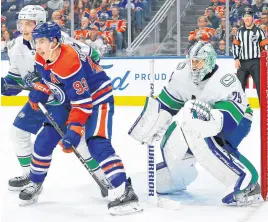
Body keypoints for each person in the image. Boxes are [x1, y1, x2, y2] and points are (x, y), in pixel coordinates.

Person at [23, 22, 142, 216]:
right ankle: (35, 183)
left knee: (97, 144)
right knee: (44, 140)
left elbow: (83, 102)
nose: (38, 46)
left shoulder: (68, 60)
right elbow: (50, 81)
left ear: (54, 41)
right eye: (36, 41)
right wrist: (41, 92)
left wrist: (74, 131)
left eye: (42, 41)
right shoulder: (41, 54)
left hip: (97, 98)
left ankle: (125, 192)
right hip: (71, 99)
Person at [129, 41, 262, 206]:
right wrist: (152, 122)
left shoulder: (225, 81)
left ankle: (246, 180)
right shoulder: (182, 75)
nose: (194, 66)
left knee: (196, 124)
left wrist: (210, 120)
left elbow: (229, 120)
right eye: (192, 61)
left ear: (210, 61)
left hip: (239, 120)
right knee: (176, 133)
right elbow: (166, 105)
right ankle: (176, 176)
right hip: (202, 122)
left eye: (198, 62)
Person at [1, 5, 106, 195]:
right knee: (18, 133)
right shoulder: (15, 46)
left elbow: (94, 56)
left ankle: (103, 177)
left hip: (62, 100)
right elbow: (16, 78)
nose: (23, 28)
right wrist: (5, 85)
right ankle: (31, 177)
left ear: (40, 24)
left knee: (78, 140)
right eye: (21, 23)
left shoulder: (61, 42)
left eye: (28, 24)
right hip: (38, 99)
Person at [232, 7, 268, 100]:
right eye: (245, 16)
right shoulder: (239, 31)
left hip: (256, 62)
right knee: (239, 88)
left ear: (252, 18)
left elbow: (265, 46)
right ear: (243, 18)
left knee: (260, 87)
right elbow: (235, 46)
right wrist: (236, 58)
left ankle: (264, 112)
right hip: (242, 63)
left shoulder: (259, 31)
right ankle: (239, 110)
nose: (247, 18)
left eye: (249, 16)